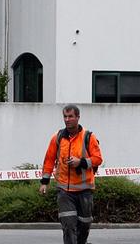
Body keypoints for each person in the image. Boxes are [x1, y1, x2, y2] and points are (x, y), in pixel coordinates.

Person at [39, 104, 103, 244]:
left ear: (78, 117)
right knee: (68, 226)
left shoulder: (88, 137)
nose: (67, 120)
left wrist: (80, 162)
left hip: (85, 190)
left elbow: (98, 159)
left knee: (84, 225)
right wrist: (44, 182)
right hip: (65, 191)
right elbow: (49, 160)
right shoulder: (57, 137)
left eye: (70, 116)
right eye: (65, 117)